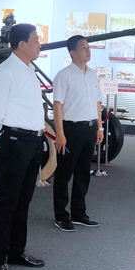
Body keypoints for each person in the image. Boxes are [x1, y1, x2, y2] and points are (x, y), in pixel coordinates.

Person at [0, 23, 46, 270]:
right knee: (6, 204)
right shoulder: (5, 71)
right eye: (35, 40)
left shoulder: (29, 69)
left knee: (23, 201)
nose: (39, 44)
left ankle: (16, 251)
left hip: (32, 141)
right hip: (14, 140)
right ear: (22, 44)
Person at [52, 35, 104, 232]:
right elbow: (57, 105)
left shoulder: (92, 74)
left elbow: (97, 102)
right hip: (71, 129)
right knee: (64, 174)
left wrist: (99, 127)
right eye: (83, 47)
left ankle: (79, 213)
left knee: (83, 173)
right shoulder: (63, 75)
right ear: (72, 52)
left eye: (88, 47)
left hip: (90, 129)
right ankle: (61, 215)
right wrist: (60, 133)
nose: (87, 50)